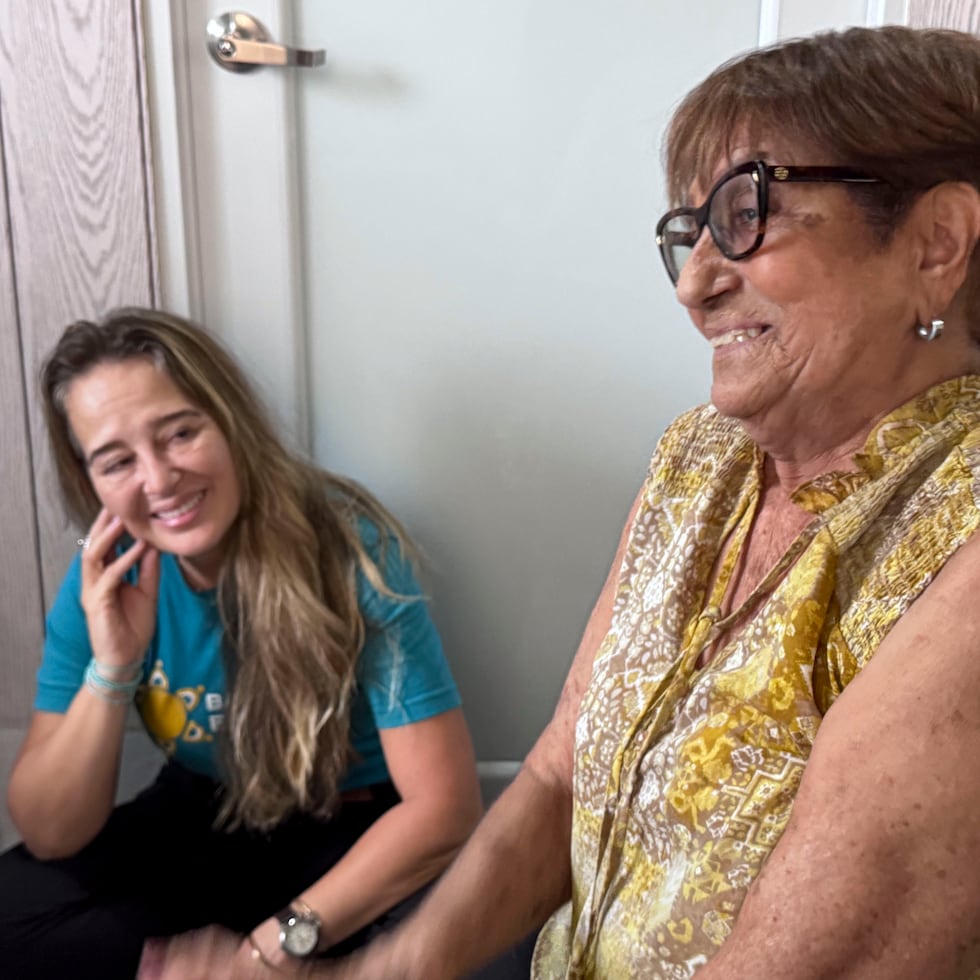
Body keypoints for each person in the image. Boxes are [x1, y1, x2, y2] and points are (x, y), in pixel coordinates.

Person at [311, 25, 980, 980]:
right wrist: (383, 971)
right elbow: (558, 769)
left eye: (749, 215)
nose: (697, 285)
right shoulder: (699, 456)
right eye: (690, 234)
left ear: (937, 243)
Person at [0, 308, 484, 979]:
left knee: (491, 946)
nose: (158, 479)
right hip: (207, 811)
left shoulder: (350, 550)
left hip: (354, 826)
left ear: (231, 423)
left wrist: (269, 952)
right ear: (91, 484)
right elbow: (53, 832)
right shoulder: (104, 582)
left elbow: (445, 809)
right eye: (117, 462)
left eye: (179, 433)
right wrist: (113, 666)